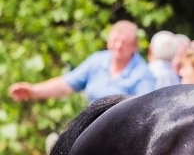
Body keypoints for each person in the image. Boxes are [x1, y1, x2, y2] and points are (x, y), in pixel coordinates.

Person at [8, 20, 155, 104]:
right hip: (89, 130)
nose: (118, 46)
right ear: (108, 41)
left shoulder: (142, 74)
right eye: (115, 40)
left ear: (135, 46)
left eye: (124, 42)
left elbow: (143, 112)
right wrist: (33, 91)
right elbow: (65, 85)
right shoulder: (98, 60)